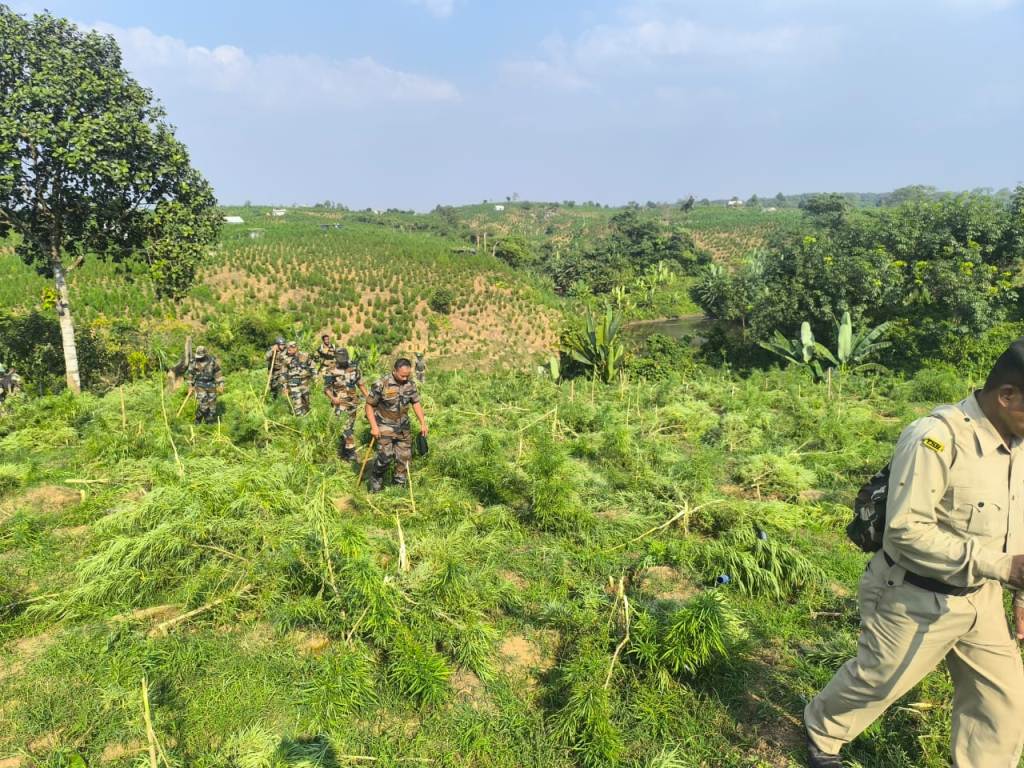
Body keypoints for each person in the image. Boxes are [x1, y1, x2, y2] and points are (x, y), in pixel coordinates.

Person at [804, 340, 1024, 768]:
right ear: (1007, 396)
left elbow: (1016, 520)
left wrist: (1020, 592)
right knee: (877, 681)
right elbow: (904, 532)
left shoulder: (1017, 441)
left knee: (1003, 702)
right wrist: (1003, 567)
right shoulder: (935, 439)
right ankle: (821, 730)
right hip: (913, 596)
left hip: (981, 599)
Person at [365, 357, 427, 492]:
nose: (405, 378)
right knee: (385, 457)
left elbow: (416, 403)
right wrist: (374, 427)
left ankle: (398, 487)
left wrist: (423, 423)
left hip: (403, 428)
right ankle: (376, 481)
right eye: (402, 375)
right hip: (384, 426)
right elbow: (369, 406)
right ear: (394, 371)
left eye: (407, 375)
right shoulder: (381, 384)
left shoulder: (410, 385)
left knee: (404, 459)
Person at [323, 347, 369, 460]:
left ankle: (344, 450)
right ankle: (351, 452)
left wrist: (369, 398)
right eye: (341, 359)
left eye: (345, 358)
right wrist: (333, 399)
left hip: (353, 402)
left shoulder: (354, 368)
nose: (343, 361)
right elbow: (327, 389)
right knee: (345, 428)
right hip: (340, 403)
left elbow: (361, 384)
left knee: (350, 427)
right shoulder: (331, 370)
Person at [187, 346, 224, 424]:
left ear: (205, 354)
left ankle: (208, 423)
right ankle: (197, 420)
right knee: (204, 406)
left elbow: (218, 372)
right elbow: (190, 374)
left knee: (212, 408)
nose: (199, 358)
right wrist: (190, 386)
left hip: (211, 385)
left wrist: (221, 384)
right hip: (199, 385)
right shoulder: (193, 361)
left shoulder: (212, 361)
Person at [283, 341, 314, 416]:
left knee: (306, 402)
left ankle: (307, 417)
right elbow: (284, 374)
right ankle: (299, 419)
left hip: (304, 383)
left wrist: (315, 376)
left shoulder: (305, 355)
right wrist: (285, 387)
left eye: (290, 348)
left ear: (295, 348)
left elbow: (312, 366)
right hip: (293, 384)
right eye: (287, 348)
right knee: (297, 404)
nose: (288, 350)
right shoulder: (286, 360)